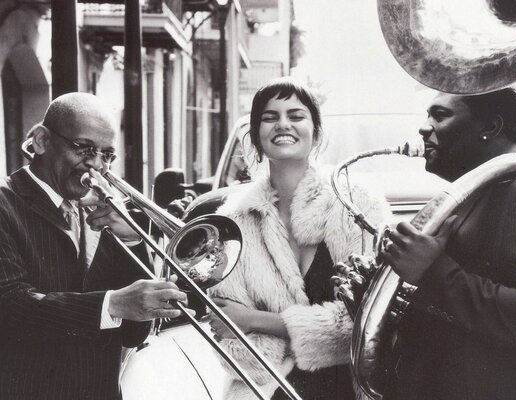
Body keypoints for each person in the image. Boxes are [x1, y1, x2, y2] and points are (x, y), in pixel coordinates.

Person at [379, 86, 516, 400]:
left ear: (490, 128)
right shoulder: (470, 199)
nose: (424, 127)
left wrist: (432, 270)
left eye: (440, 114)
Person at [206, 78, 391, 400]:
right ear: (255, 136)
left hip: (351, 388)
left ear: (316, 132)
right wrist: (320, 334)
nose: (282, 125)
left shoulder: (357, 203)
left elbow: (372, 322)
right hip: (263, 391)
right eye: (269, 117)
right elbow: (231, 341)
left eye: (295, 115)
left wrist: (256, 320)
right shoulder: (232, 220)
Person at [0, 92, 191, 400]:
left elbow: (133, 332)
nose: (96, 165)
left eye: (107, 155)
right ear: (41, 141)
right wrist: (112, 303)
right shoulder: (4, 203)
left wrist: (130, 238)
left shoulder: (98, 212)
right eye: (84, 148)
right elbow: (9, 307)